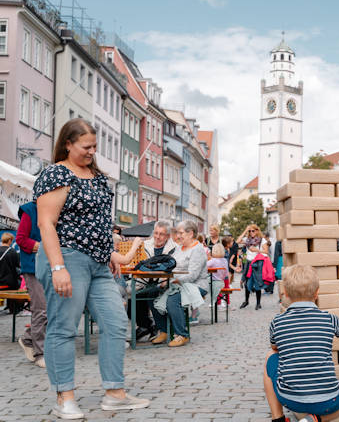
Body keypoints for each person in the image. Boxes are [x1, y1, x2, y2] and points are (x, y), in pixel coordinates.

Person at [34, 118, 149, 419]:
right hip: (67, 257)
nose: (91, 151)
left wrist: (108, 252)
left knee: (115, 323)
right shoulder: (57, 174)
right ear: (68, 144)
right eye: (86, 146)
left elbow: (96, 223)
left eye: (94, 146)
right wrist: (58, 267)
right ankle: (65, 398)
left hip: (99, 263)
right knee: (63, 327)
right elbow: (46, 223)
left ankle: (114, 393)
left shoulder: (96, 176)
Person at [264, 265, 339, 422]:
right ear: (317, 293)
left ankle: (278, 418)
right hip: (329, 401)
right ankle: (314, 419)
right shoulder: (329, 319)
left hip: (290, 399)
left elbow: (275, 347)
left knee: (270, 356)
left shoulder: (278, 322)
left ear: (285, 293)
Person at [150, 220, 208, 347]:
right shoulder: (179, 248)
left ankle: (182, 334)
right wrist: (165, 278)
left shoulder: (197, 250)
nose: (178, 236)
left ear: (191, 233)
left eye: (181, 233)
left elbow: (193, 275)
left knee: (173, 300)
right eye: (177, 233)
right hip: (177, 283)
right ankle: (164, 330)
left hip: (195, 285)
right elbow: (171, 265)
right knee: (151, 293)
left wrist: (173, 280)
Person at [15, 201, 47, 368]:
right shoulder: (30, 210)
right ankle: (39, 352)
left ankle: (28, 338)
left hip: (52, 266)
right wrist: (42, 246)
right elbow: (20, 239)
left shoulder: (58, 209)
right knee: (41, 308)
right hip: (33, 266)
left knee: (52, 309)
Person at [237, 224, 268, 309]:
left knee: (257, 283)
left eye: (253, 231)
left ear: (257, 231)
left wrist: (256, 250)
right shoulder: (247, 240)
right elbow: (238, 241)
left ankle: (258, 303)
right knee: (247, 283)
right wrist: (245, 230)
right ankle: (246, 301)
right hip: (248, 263)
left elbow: (266, 252)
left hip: (257, 263)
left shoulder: (262, 240)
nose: (251, 233)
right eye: (250, 231)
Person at [207, 243, 229, 308]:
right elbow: (226, 272)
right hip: (222, 281)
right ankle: (222, 301)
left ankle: (213, 300)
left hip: (214, 281)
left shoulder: (213, 261)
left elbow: (204, 266)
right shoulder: (225, 260)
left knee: (207, 283)